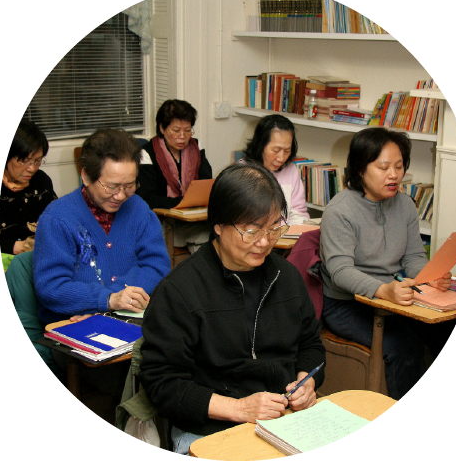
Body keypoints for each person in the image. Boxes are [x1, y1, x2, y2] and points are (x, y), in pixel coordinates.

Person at [139, 162, 325, 455]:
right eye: (251, 231)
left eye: (274, 227)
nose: (264, 242)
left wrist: (307, 380)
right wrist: (238, 408)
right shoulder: (179, 291)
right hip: (209, 428)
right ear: (218, 225)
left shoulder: (286, 277)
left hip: (284, 420)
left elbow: (311, 343)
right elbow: (163, 385)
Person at [319, 127, 454, 400]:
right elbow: (340, 272)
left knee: (448, 330)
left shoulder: (405, 205)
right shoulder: (340, 210)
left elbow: (413, 257)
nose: (393, 174)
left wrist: (431, 277)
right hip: (346, 303)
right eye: (383, 167)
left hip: (393, 296)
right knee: (403, 344)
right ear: (359, 169)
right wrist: (384, 290)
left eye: (399, 166)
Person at [33, 128, 171, 325]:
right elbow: (51, 288)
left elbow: (158, 268)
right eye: (112, 187)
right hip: (72, 322)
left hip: (130, 316)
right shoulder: (57, 219)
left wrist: (114, 299)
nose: (121, 195)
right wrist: (107, 300)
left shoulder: (139, 209)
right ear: (86, 176)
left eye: (130, 185)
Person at [137, 99, 213, 253]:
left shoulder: (196, 147)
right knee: (212, 236)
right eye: (176, 130)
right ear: (162, 128)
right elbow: (147, 198)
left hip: (195, 217)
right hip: (163, 221)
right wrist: (182, 203)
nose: (183, 137)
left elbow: (205, 185)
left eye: (187, 130)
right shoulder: (146, 153)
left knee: (216, 230)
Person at [0, 120, 56, 255]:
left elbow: (56, 219)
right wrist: (12, 246)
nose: (31, 168)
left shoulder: (41, 181)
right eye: (24, 161)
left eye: (37, 161)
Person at [243, 114, 309, 225]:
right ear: (260, 145)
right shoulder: (242, 172)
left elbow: (298, 214)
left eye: (287, 151)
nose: (281, 158)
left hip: (285, 237)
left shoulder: (291, 171)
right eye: (276, 150)